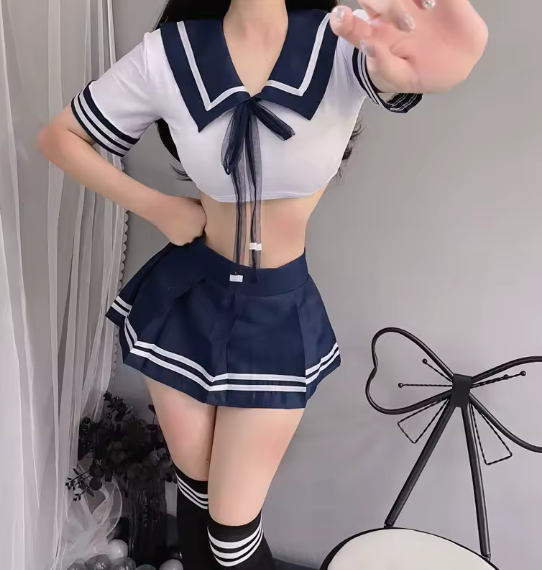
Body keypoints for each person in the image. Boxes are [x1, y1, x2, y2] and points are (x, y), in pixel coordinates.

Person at [38, 1, 487, 569]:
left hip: (275, 310)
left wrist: (427, 69)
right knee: (196, 496)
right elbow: (60, 137)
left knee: (232, 534)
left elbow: (394, 73)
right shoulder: (170, 54)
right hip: (188, 299)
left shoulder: (341, 42)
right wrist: (156, 207)